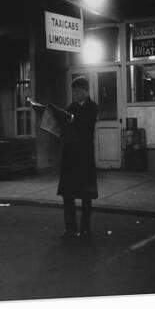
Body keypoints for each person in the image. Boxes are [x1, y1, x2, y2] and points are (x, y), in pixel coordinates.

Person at [53, 76, 98, 239]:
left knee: (86, 195)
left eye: (78, 91)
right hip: (70, 155)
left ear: (85, 91)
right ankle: (69, 228)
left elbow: (87, 127)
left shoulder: (93, 107)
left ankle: (85, 229)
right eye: (73, 91)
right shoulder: (70, 107)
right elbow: (63, 128)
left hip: (84, 156)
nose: (75, 94)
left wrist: (72, 120)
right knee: (68, 194)